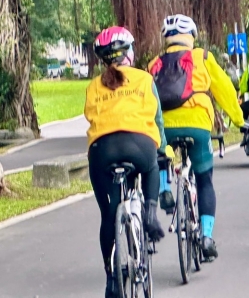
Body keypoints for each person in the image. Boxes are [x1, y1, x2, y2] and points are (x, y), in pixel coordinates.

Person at [148, 14, 245, 261]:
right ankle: (206, 237)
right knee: (204, 181)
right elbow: (224, 90)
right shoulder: (202, 57)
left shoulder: (154, 64)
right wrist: (239, 121)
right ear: (191, 36)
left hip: (164, 127)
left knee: (161, 154)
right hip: (198, 124)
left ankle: (165, 188)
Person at [84, 26, 167, 298]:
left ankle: (111, 280)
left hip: (102, 150)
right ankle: (151, 214)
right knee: (153, 165)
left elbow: (90, 115)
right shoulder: (144, 79)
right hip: (140, 146)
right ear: (129, 54)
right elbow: (157, 120)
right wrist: (163, 149)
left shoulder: (94, 85)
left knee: (107, 215)